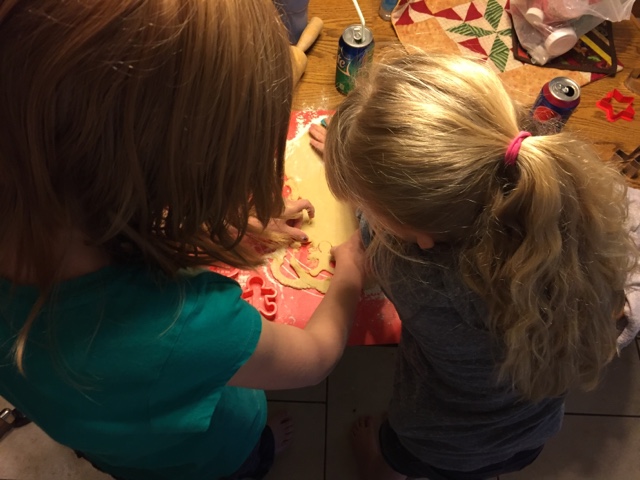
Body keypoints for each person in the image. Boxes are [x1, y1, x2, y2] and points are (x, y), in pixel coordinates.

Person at [0, 1, 365, 479]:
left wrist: (219, 225)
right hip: (211, 457)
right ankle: (263, 450)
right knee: (249, 454)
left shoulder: (43, 192)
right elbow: (315, 357)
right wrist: (351, 273)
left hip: (120, 453)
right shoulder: (187, 326)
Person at [310, 52, 639, 480]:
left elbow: (372, 238)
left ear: (420, 235)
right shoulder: (574, 211)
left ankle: (376, 469)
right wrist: (374, 167)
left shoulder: (412, 274)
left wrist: (360, 196)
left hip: (438, 437)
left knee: (394, 458)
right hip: (532, 431)